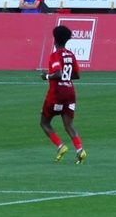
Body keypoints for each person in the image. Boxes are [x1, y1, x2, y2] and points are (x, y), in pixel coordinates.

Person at [39, 25, 87, 165]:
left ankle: (61, 147)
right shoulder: (70, 54)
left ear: (55, 40)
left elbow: (58, 73)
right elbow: (77, 75)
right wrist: (66, 76)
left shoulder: (55, 55)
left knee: (44, 122)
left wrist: (46, 76)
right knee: (68, 125)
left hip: (57, 93)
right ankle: (80, 150)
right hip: (70, 92)